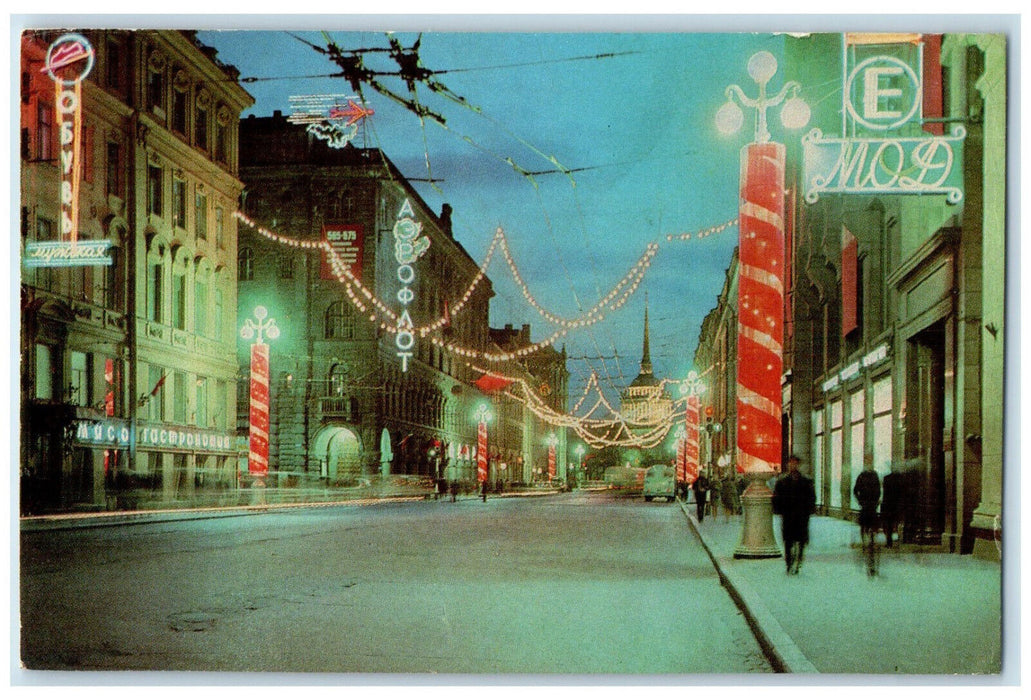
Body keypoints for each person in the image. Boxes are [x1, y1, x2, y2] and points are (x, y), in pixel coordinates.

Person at [772, 455, 816, 575]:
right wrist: (779, 510)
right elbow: (776, 498)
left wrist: (809, 510)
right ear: (788, 465)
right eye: (791, 463)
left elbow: (811, 497)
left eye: (795, 463)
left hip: (801, 515)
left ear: (798, 465)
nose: (793, 465)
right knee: (788, 541)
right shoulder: (782, 481)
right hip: (788, 515)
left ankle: (799, 559)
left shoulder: (806, 481)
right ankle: (789, 562)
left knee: (801, 540)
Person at [853, 460, 882, 576]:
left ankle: (870, 541)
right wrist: (861, 501)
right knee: (865, 526)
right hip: (866, 506)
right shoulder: (862, 476)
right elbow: (855, 490)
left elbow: (878, 491)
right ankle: (867, 541)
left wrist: (875, 502)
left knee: (871, 527)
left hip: (871, 506)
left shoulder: (873, 475)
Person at [881, 464, 903, 548]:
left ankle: (889, 542)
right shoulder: (902, 479)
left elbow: (885, 493)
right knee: (897, 521)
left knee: (888, 524)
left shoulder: (886, 478)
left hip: (888, 504)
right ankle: (899, 537)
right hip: (898, 504)